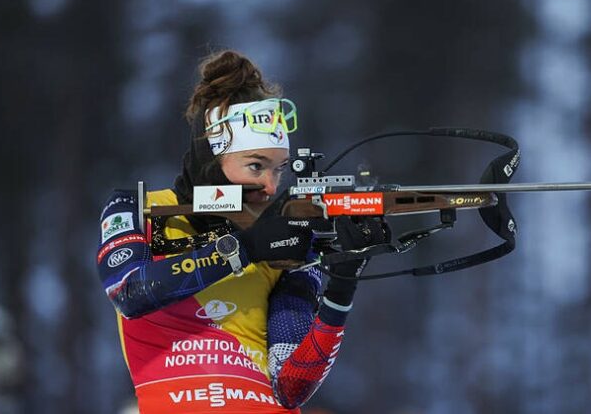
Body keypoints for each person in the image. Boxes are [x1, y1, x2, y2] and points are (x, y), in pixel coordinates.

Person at [97, 50, 387, 413]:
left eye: (279, 169)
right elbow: (129, 292)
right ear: (211, 158)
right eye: (255, 166)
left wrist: (342, 285)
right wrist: (243, 248)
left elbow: (292, 384)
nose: (269, 185)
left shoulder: (286, 239)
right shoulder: (138, 209)